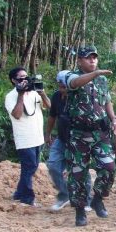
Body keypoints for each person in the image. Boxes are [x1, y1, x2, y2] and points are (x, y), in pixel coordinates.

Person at [64, 46, 116, 226]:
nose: (92, 61)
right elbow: (74, 84)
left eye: (95, 57)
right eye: (88, 58)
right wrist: (94, 74)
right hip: (79, 134)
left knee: (109, 167)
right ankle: (80, 211)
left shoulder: (101, 79)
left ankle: (98, 198)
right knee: (78, 174)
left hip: (100, 133)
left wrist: (114, 119)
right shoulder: (70, 76)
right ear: (79, 60)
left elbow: (107, 100)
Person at [45, 71, 91, 212]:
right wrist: (47, 134)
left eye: (64, 84)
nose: (62, 86)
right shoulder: (56, 97)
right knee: (52, 165)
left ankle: (86, 199)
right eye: (59, 83)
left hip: (78, 139)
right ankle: (64, 194)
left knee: (81, 170)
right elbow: (52, 117)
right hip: (61, 138)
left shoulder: (79, 97)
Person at [5, 67, 51, 206]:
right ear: (14, 81)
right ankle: (27, 198)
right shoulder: (10, 96)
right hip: (24, 138)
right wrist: (20, 95)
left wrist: (42, 93)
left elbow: (49, 105)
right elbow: (17, 115)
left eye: (26, 77)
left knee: (32, 166)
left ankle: (19, 194)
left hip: (37, 136)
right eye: (21, 78)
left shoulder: (34, 92)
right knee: (29, 166)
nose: (24, 81)